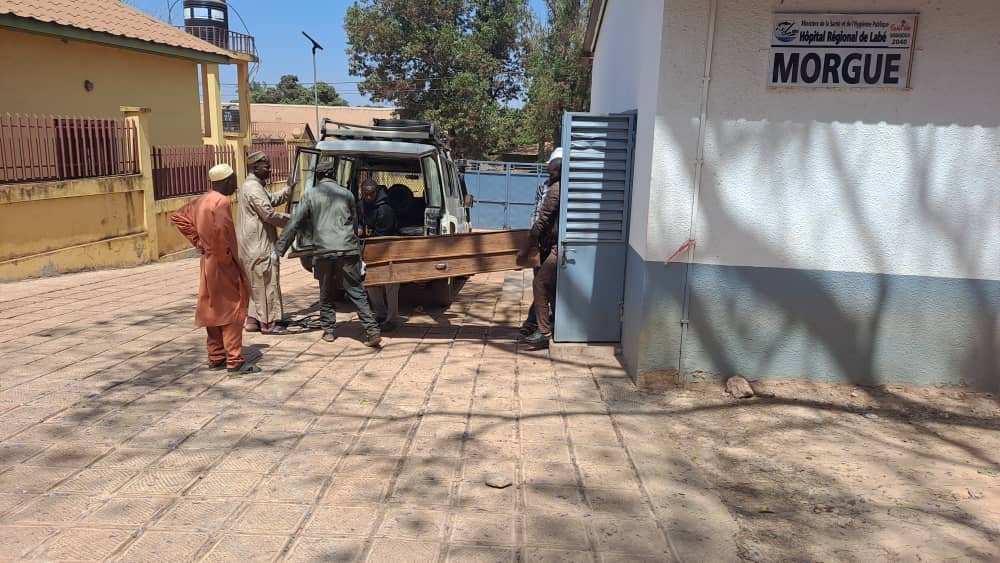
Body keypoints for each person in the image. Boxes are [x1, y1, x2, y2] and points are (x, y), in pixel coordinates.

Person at [274, 161, 382, 347]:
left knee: (326, 291)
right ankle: (372, 331)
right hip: (347, 249)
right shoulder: (347, 194)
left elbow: (295, 222)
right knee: (356, 291)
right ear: (333, 175)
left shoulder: (310, 195)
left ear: (318, 176)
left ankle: (329, 331)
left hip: (323, 250)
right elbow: (355, 224)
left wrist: (279, 249)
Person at [169, 163, 259, 373]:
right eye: (234, 179)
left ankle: (216, 356)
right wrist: (225, 258)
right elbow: (221, 231)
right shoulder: (221, 202)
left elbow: (178, 216)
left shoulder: (203, 200)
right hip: (222, 263)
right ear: (226, 181)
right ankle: (234, 360)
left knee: (213, 308)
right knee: (233, 309)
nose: (236, 184)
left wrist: (199, 241)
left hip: (208, 262)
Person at [238, 151, 291, 335]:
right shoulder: (253, 188)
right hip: (259, 245)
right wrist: (293, 220)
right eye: (266, 167)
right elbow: (268, 213)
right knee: (266, 283)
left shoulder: (254, 186)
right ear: (255, 167)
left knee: (256, 286)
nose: (270, 170)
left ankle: (253, 320)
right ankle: (268, 324)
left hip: (252, 245)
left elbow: (270, 200)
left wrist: (288, 191)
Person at [519, 157, 561, 349]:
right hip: (552, 245)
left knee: (540, 283)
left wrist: (527, 246)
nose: (549, 176)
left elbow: (543, 219)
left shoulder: (556, 189)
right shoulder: (558, 187)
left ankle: (544, 332)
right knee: (550, 288)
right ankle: (550, 326)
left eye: (552, 173)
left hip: (557, 247)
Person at [359, 179, 402, 332]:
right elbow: (359, 221)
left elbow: (381, 236)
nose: (368, 197)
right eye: (365, 194)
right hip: (370, 252)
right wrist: (359, 227)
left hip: (388, 251)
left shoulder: (385, 210)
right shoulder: (361, 205)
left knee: (391, 285)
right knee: (370, 283)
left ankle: (392, 319)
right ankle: (380, 314)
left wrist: (363, 235)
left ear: (376, 192)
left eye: (371, 194)